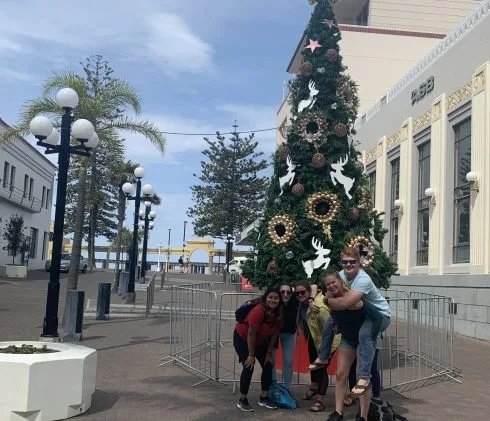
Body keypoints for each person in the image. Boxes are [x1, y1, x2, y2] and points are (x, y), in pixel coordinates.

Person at [314, 248, 390, 421]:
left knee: (362, 374)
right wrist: (329, 300)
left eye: (352, 262)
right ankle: (338, 412)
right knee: (341, 373)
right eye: (345, 262)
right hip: (353, 325)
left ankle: (363, 416)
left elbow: (346, 302)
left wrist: (328, 300)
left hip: (376, 318)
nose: (348, 265)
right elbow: (331, 295)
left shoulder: (363, 279)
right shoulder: (340, 276)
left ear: (359, 263)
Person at [234, 286, 283, 412]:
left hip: (260, 340)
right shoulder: (259, 311)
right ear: (265, 298)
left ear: (280, 300)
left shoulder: (279, 313)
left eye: (276, 298)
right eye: (270, 297)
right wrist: (251, 355)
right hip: (243, 338)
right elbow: (251, 334)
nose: (273, 300)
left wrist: (268, 353)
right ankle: (243, 399)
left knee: (268, 364)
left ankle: (264, 397)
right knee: (249, 365)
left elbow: (275, 334)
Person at [295, 280, 339, 413]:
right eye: (297, 293)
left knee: (321, 369)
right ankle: (314, 388)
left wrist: (326, 349)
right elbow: (313, 285)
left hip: (326, 341)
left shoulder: (319, 305)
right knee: (313, 364)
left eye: (303, 292)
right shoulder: (305, 302)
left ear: (309, 292)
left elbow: (330, 327)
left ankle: (320, 400)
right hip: (314, 339)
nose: (299, 295)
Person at [272, 283, 318, 391]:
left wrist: (311, 300)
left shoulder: (295, 299)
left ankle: (287, 388)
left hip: (289, 333)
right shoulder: (274, 300)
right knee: (271, 361)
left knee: (288, 361)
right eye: (282, 292)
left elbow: (313, 286)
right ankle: (272, 386)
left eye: (288, 292)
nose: (285, 294)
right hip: (274, 333)